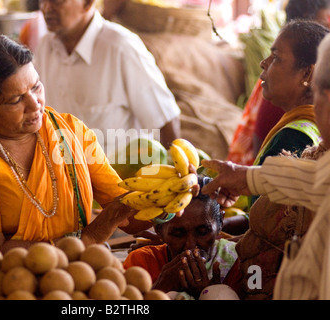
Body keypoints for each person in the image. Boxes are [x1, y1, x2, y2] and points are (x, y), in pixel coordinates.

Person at [0, 33, 174, 258]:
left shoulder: (70, 131)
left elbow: (129, 215)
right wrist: (90, 237)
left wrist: (169, 200)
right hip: (13, 286)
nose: (35, 106)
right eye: (15, 100)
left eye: (36, 87)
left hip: (82, 274)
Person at [199, 32, 330, 300]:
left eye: (277, 57)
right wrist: (243, 178)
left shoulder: (297, 137)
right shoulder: (317, 157)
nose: (263, 63)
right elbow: (312, 178)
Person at [33, 0, 181, 156]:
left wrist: (178, 174)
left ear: (88, 3)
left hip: (123, 177)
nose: (46, 8)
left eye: (57, 1)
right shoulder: (44, 47)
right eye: (42, 0)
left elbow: (165, 120)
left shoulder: (121, 47)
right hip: (67, 174)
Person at [227, 0, 330, 166]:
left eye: (276, 57)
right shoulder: (315, 127)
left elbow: (263, 188)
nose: (263, 63)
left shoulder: (292, 139)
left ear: (307, 73)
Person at [123, 176, 237, 299]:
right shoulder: (142, 263)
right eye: (178, 234)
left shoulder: (237, 262)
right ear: (159, 230)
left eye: (203, 232)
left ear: (220, 223)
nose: (191, 245)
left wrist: (209, 293)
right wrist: (160, 287)